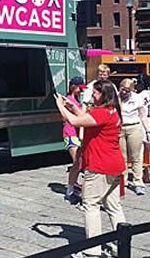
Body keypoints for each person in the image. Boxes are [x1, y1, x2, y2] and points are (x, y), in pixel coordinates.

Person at [56, 80, 126, 258]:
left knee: (90, 205)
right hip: (114, 164)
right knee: (113, 206)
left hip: (99, 165)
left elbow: (73, 121)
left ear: (104, 95)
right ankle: (122, 244)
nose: (92, 95)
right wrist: (71, 105)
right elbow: (84, 118)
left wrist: (60, 107)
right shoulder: (112, 111)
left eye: (96, 93)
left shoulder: (102, 113)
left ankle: (92, 250)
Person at [119, 78, 149, 195]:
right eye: (123, 89)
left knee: (136, 156)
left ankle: (138, 182)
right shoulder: (116, 97)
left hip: (134, 127)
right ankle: (123, 182)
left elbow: (143, 115)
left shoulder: (137, 98)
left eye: (127, 90)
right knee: (122, 157)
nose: (124, 92)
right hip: (120, 127)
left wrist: (148, 131)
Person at [63, 76, 86, 204]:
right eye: (79, 88)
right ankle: (70, 191)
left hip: (76, 134)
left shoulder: (75, 99)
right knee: (77, 162)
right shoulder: (68, 100)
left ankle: (73, 186)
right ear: (73, 87)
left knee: (78, 163)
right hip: (70, 133)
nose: (81, 91)